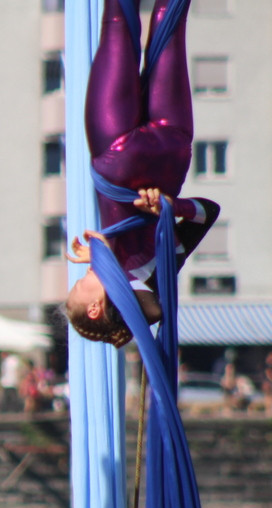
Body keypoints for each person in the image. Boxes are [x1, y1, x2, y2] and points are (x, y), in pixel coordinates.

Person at [64, 0, 220, 347]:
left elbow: (205, 215)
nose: (82, 275)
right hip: (123, 151)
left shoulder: (146, 272)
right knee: (128, 20)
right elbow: (210, 212)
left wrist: (105, 259)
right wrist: (169, 207)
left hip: (163, 149)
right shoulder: (152, 279)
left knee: (152, 23)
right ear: (94, 307)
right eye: (79, 285)